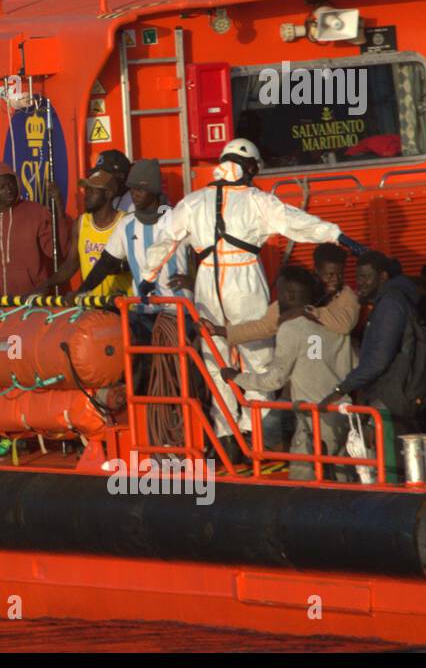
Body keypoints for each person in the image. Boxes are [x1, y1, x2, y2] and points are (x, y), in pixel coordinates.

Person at [141, 138, 365, 451]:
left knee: (213, 358)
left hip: (207, 284)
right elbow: (297, 223)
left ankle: (226, 435)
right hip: (244, 279)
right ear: (249, 167)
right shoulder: (258, 200)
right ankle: (259, 434)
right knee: (259, 358)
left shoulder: (193, 202)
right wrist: (337, 234)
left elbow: (166, 237)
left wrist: (148, 277)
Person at [222, 267, 355, 481]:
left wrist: (235, 377)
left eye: (279, 293)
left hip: (312, 420)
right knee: (343, 479)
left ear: (289, 295)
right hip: (344, 413)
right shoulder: (337, 326)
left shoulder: (292, 327)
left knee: (303, 481)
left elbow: (274, 379)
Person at [320, 251, 426, 480]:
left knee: (392, 470)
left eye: (365, 277)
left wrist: (340, 390)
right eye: (358, 277)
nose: (360, 283)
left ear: (382, 276)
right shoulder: (391, 300)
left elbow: (379, 358)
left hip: (392, 397)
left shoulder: (390, 304)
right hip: (399, 394)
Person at [71, 159, 187, 332]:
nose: (134, 194)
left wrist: (194, 281)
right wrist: (81, 291)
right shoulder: (126, 224)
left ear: (153, 190)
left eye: (140, 189)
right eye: (132, 189)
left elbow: (206, 253)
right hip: (143, 312)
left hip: (178, 311)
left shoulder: (177, 218)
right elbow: (105, 264)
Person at [209, 243, 359, 346]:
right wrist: (221, 331)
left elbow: (344, 325)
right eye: (330, 275)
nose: (335, 280)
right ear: (317, 270)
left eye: (340, 274)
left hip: (335, 369)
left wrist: (305, 311)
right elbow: (265, 326)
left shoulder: (347, 297)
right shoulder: (302, 291)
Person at [0, 161, 68, 298]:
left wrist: (59, 211)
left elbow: (57, 252)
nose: (9, 190)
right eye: (2, 187)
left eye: (11, 184)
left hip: (30, 301)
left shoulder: (36, 213)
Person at [37, 169, 131, 299]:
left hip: (121, 305)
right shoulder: (81, 222)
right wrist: (47, 285)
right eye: (87, 190)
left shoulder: (126, 222)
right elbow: (71, 264)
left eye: (93, 191)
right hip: (91, 304)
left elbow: (140, 263)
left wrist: (118, 267)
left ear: (108, 194)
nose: (87, 195)